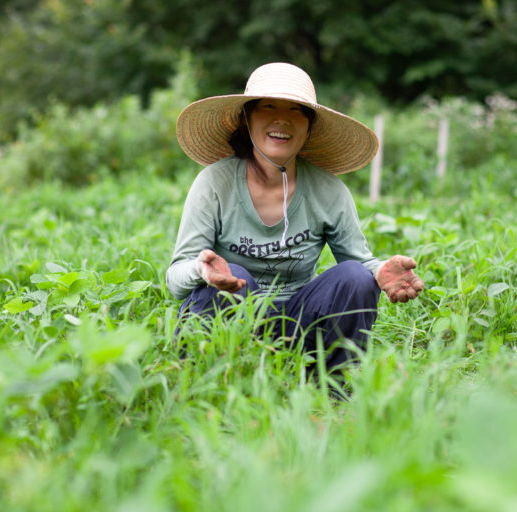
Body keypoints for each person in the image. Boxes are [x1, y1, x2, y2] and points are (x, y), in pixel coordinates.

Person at [167, 62, 424, 369]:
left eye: (296, 111)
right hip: (233, 325)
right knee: (236, 278)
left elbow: (360, 264)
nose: (281, 120)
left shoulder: (329, 191)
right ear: (247, 118)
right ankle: (218, 379)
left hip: (299, 325)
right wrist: (202, 271)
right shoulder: (214, 184)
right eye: (268, 107)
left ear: (309, 126)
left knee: (355, 276)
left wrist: (381, 271)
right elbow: (175, 278)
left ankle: (333, 386)